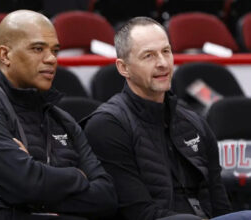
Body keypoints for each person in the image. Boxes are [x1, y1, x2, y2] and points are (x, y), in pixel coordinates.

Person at [0, 10, 117, 220]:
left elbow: (106, 196)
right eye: (38, 49)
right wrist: (78, 176)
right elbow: (26, 184)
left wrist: (37, 190)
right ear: (5, 55)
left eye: (55, 50)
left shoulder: (61, 119)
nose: (51, 59)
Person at [83, 17, 251, 220]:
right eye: (149, 56)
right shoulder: (107, 126)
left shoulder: (194, 122)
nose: (163, 63)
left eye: (166, 51)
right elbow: (136, 213)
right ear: (123, 68)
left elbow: (220, 205)